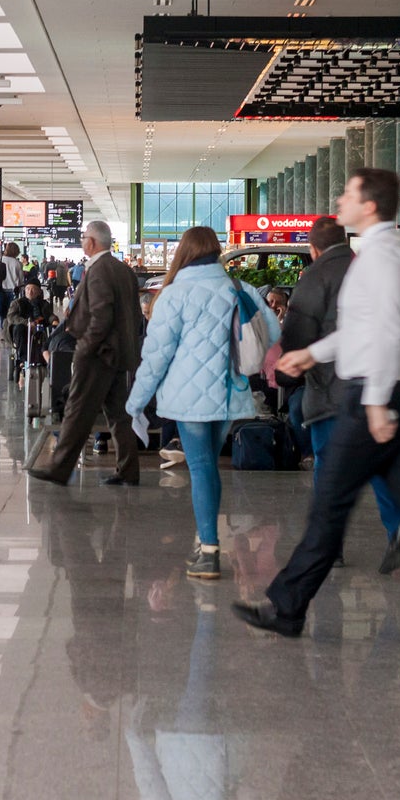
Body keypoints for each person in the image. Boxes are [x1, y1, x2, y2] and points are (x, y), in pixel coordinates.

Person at [237, 169, 400, 645]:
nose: (339, 199)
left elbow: (386, 333)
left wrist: (373, 404)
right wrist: (315, 353)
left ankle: (287, 608)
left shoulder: (381, 258)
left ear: (368, 206)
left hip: (378, 390)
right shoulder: (393, 253)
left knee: (329, 503)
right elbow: (366, 328)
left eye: (348, 193)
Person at [126, 226, 271, 581]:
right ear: (217, 250)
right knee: (207, 468)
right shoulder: (240, 288)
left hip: (188, 399)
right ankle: (207, 542)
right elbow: (273, 334)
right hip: (230, 395)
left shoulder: (174, 295)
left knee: (202, 467)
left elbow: (156, 357)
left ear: (184, 253)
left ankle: (208, 550)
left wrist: (135, 402)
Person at [280, 215, 400, 567]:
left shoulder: (314, 277)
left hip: (329, 387)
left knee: (328, 465)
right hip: (373, 383)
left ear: (313, 247)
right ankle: (397, 526)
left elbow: (297, 335)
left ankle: (330, 547)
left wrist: (293, 367)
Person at [31, 219, 144, 487]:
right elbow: (133, 315)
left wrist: (84, 348)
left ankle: (59, 469)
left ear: (92, 242)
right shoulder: (123, 270)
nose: (82, 242)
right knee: (118, 414)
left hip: (98, 355)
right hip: (119, 355)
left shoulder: (99, 270)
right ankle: (128, 469)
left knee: (77, 410)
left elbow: (101, 316)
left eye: (83, 238)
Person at [5, 280, 54, 374]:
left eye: (33, 289)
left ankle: (46, 357)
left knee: (52, 330)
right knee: (19, 329)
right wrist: (26, 323)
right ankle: (22, 360)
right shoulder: (17, 303)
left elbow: (49, 315)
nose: (30, 291)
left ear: (39, 292)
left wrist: (54, 319)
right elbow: (11, 317)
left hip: (39, 326)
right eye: (28, 289)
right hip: (23, 327)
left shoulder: (44, 304)